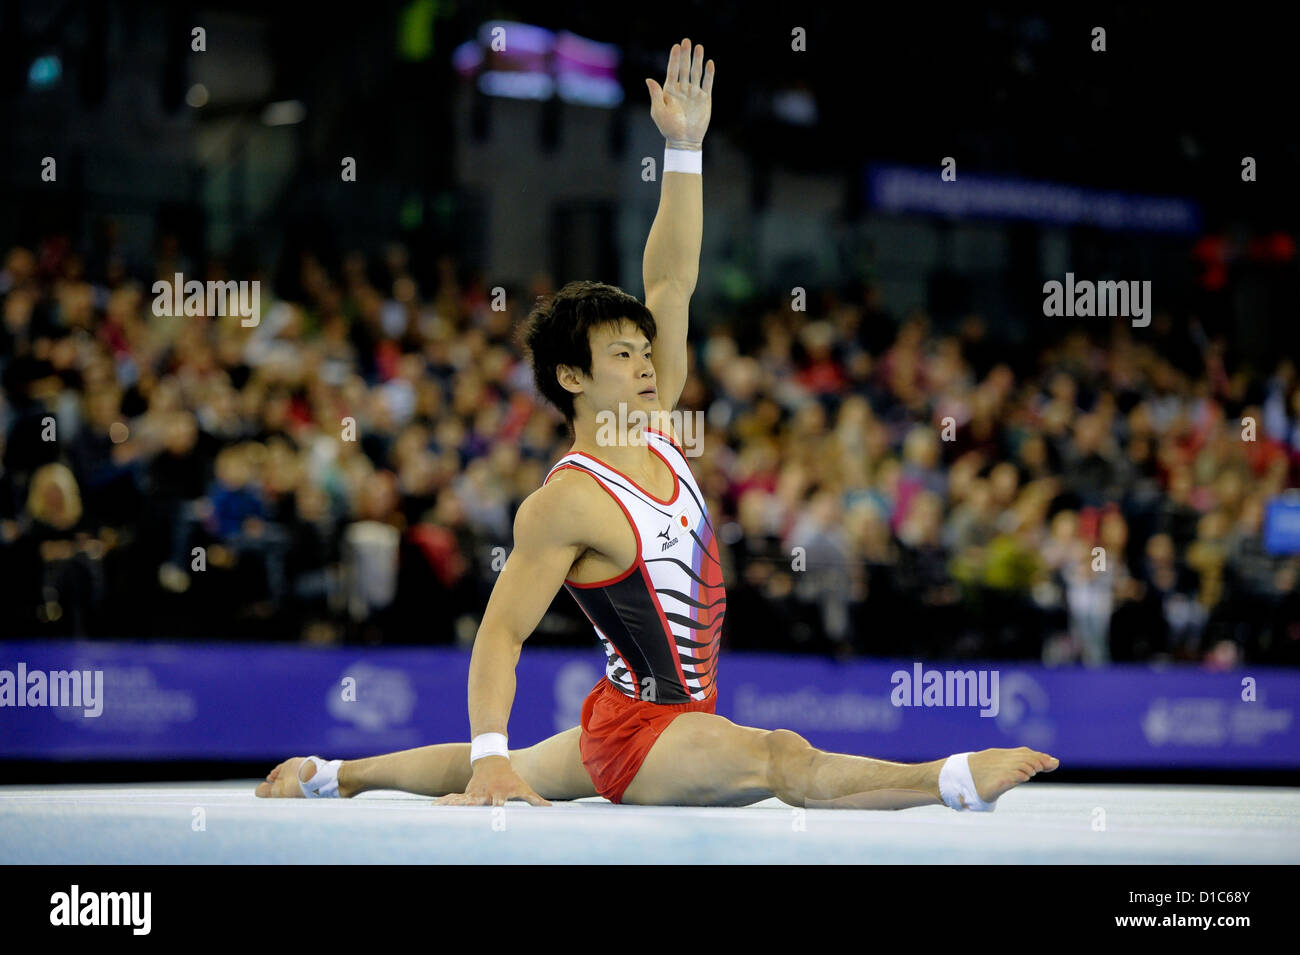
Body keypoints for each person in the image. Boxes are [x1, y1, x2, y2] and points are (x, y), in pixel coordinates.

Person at [257, 37, 1057, 810]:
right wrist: (491, 762)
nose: (647, 364)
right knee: (780, 755)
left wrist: (684, 150)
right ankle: (952, 778)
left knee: (529, 759)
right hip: (645, 733)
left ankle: (327, 774)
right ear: (572, 378)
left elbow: (670, 278)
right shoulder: (565, 501)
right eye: (622, 355)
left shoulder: (658, 425)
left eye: (646, 351)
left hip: (630, 710)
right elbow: (499, 636)